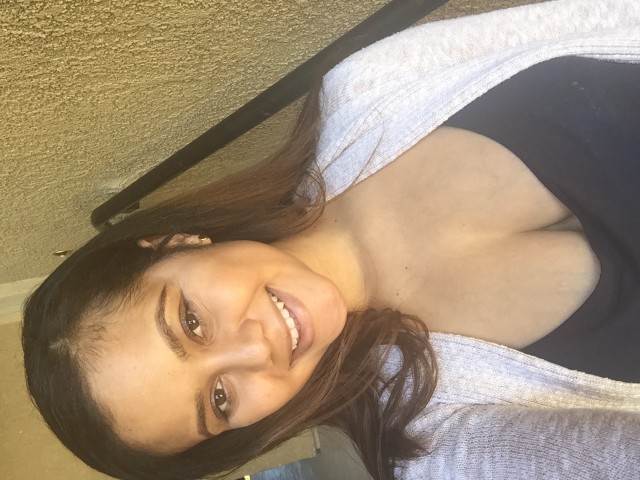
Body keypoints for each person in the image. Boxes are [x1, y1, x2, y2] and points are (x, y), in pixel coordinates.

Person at [21, 0, 640, 479]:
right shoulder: (435, 439)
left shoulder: (370, 86)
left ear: (173, 242)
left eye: (190, 322)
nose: (255, 352)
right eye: (219, 399)